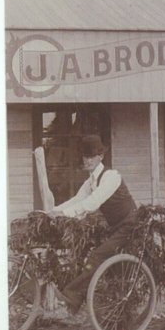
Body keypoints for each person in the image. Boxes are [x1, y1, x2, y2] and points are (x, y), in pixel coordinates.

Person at [50, 135, 137, 314]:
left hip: (131, 225)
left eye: (91, 156)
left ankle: (73, 296)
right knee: (100, 260)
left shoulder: (111, 177)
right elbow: (77, 199)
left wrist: (64, 214)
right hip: (116, 228)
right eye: (85, 156)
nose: (87, 160)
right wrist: (52, 212)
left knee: (97, 256)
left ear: (101, 157)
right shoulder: (91, 181)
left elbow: (92, 203)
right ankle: (92, 304)